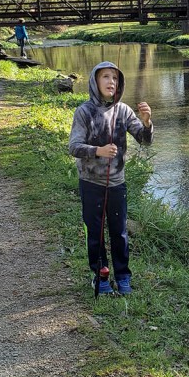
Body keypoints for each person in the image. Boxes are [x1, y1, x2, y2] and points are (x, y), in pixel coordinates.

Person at [68, 61, 153, 295]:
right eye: (105, 77)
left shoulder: (124, 111)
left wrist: (147, 123)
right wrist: (98, 151)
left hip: (117, 184)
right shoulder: (84, 111)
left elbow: (144, 140)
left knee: (120, 232)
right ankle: (100, 276)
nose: (111, 82)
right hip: (91, 183)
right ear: (95, 81)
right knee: (94, 232)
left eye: (115, 78)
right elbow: (74, 147)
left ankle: (123, 276)